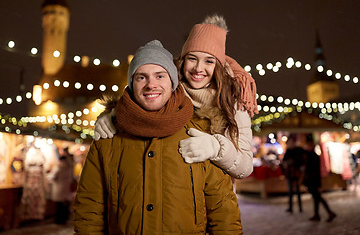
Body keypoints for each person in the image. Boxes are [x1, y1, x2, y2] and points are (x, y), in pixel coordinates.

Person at [73, 40, 242, 234]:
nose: (151, 85)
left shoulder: (200, 133)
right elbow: (89, 210)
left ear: (172, 82)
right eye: (141, 77)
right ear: (131, 83)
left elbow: (222, 210)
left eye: (160, 76)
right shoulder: (108, 139)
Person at [94, 14, 257, 181]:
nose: (198, 69)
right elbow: (140, 107)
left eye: (209, 61)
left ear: (219, 66)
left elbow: (245, 168)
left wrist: (217, 148)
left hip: (215, 194)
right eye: (192, 59)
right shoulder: (170, 89)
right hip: (172, 186)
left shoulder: (232, 100)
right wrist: (112, 117)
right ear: (182, 60)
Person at [303, 134, 337, 222]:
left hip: (313, 181)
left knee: (318, 198)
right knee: (317, 198)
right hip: (312, 181)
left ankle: (329, 213)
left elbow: (316, 171)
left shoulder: (313, 156)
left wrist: (318, 184)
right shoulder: (310, 156)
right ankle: (318, 214)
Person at [49, 147, 74, 224]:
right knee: (64, 205)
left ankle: (59, 220)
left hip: (58, 188)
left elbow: (53, 176)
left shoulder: (58, 167)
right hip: (65, 188)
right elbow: (70, 179)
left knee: (58, 206)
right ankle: (64, 219)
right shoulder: (69, 168)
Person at [281, 134, 306, 213]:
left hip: (296, 173)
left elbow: (301, 161)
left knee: (298, 191)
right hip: (289, 174)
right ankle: (291, 207)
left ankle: (300, 207)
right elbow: (284, 162)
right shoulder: (288, 151)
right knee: (290, 191)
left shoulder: (298, 150)